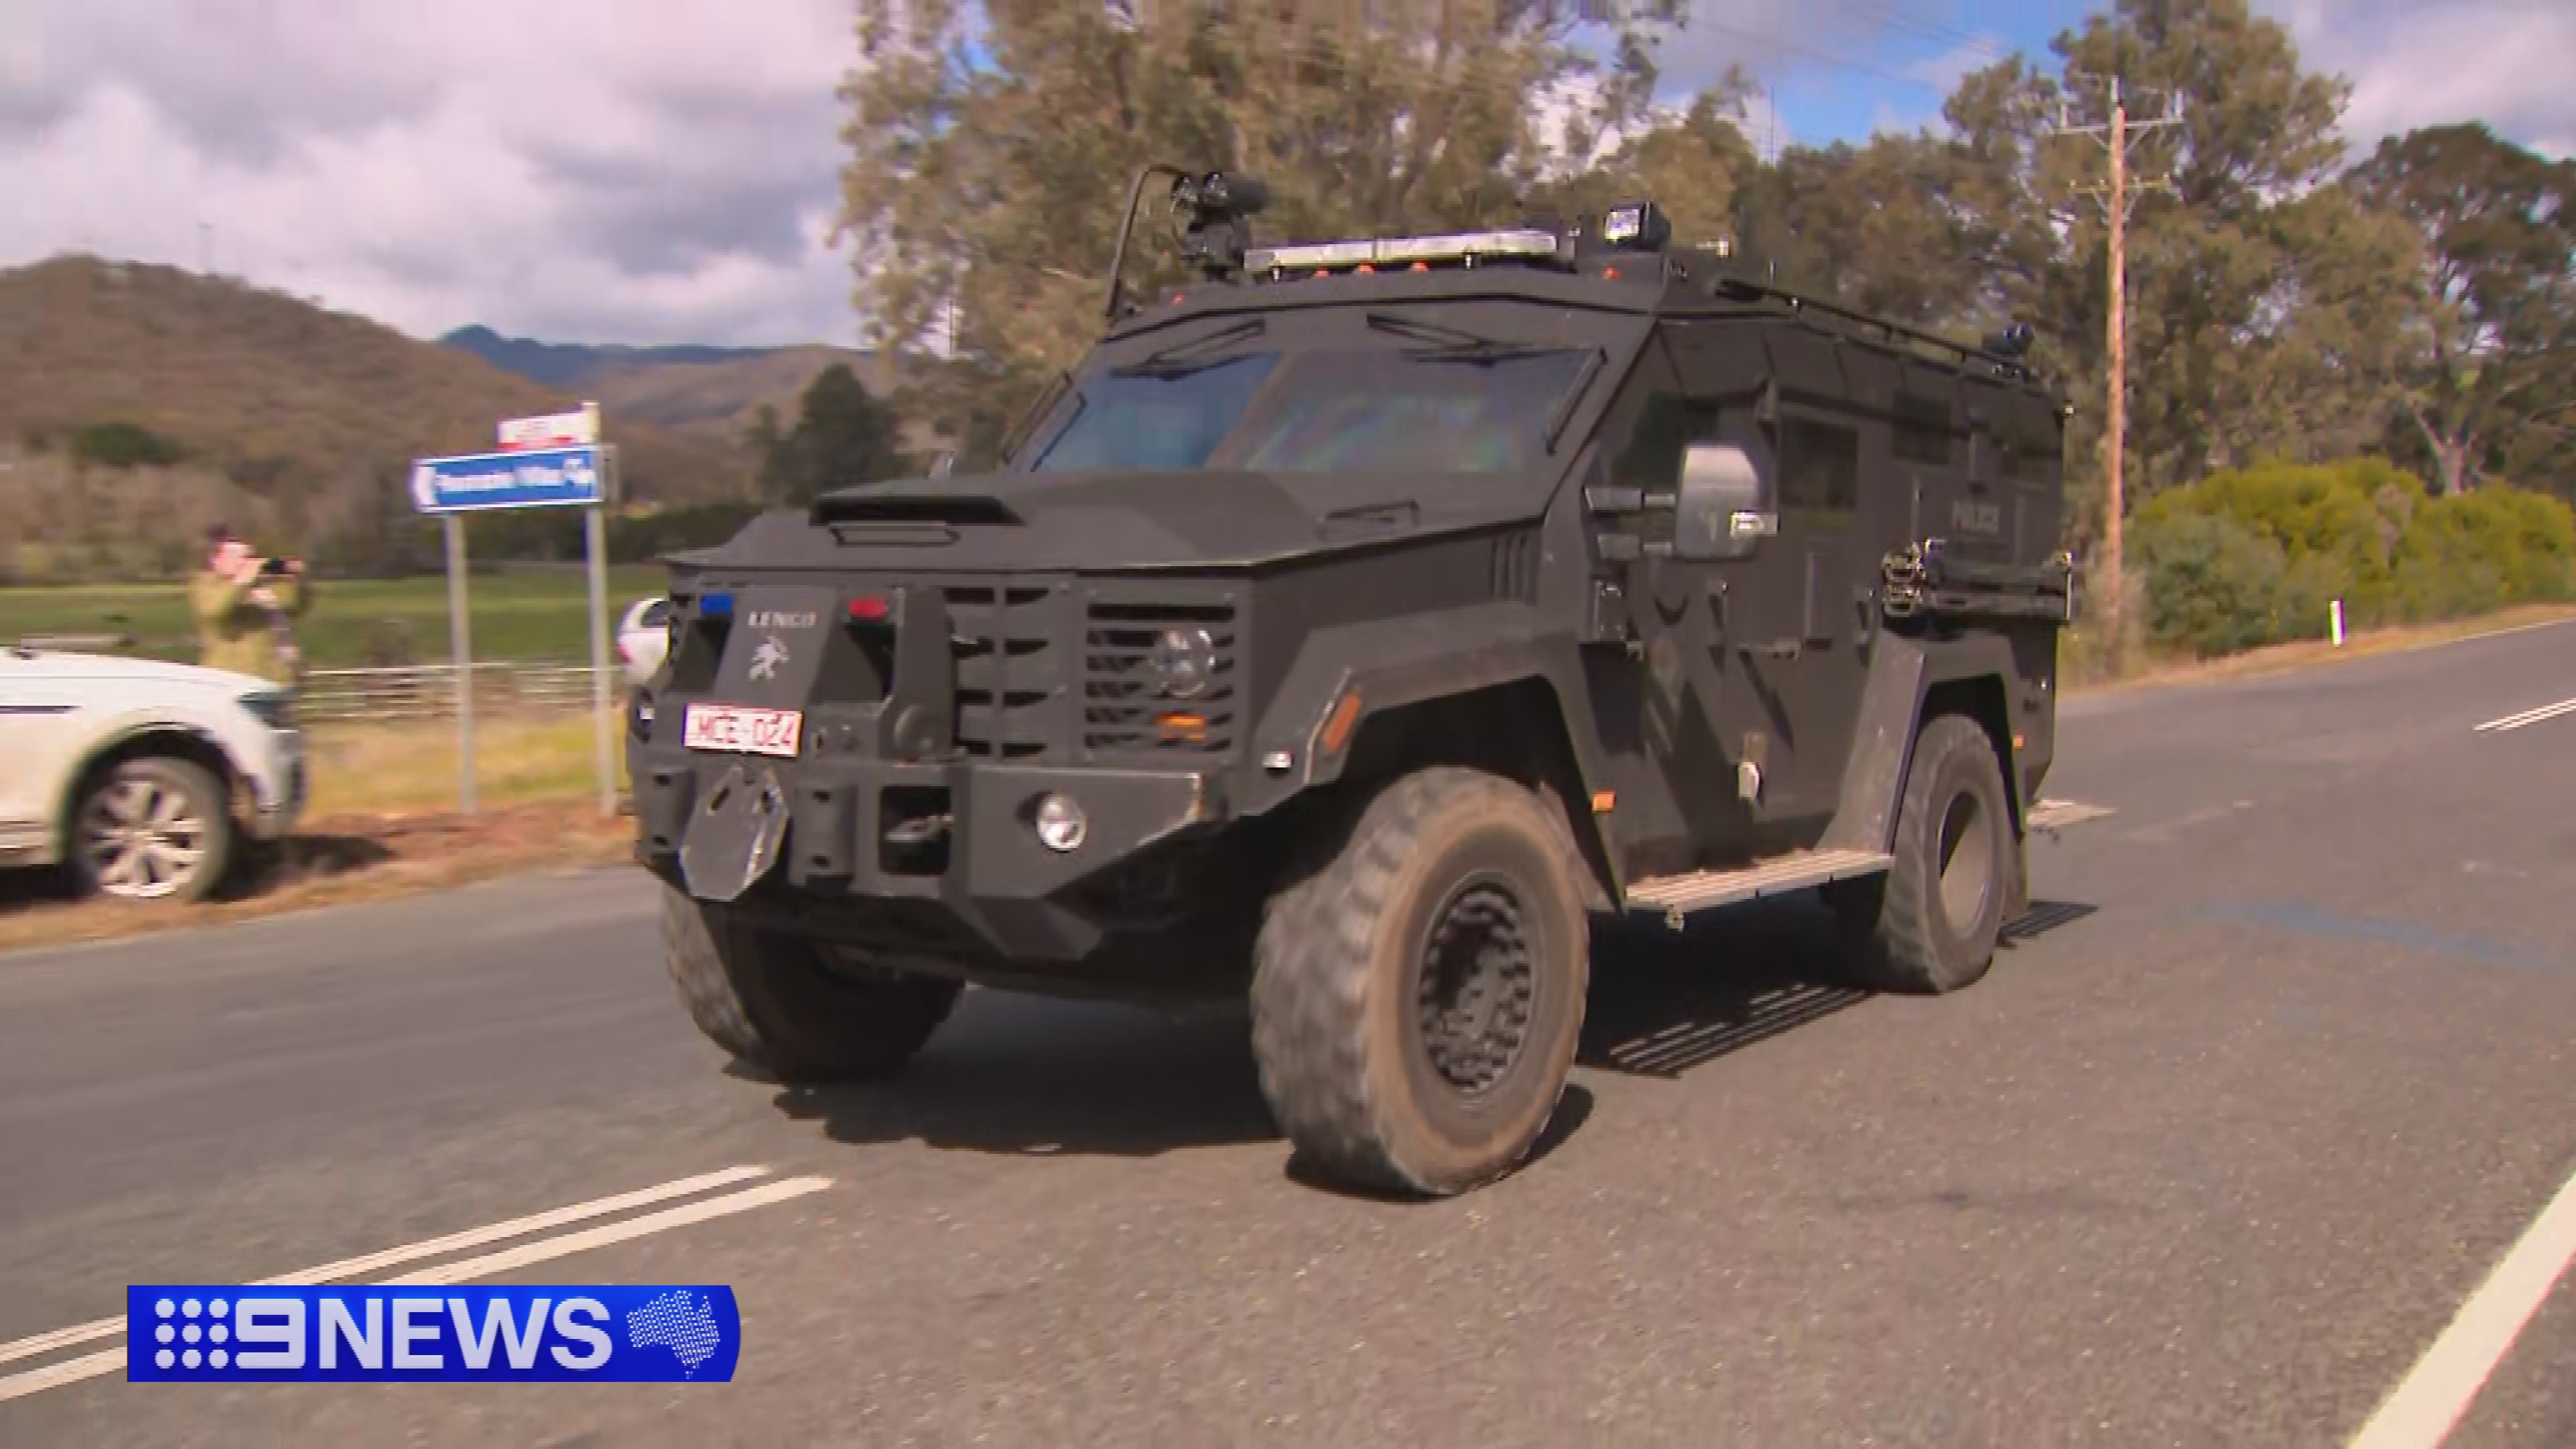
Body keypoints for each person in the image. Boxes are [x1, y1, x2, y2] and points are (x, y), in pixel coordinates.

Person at [191, 523, 314, 688]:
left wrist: (293, 576)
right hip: (231, 681)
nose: (244, 561)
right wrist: (241, 582)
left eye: (247, 556)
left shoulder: (263, 585)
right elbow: (214, 610)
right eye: (235, 556)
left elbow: (295, 605)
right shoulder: (207, 584)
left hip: (278, 679)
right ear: (215, 560)